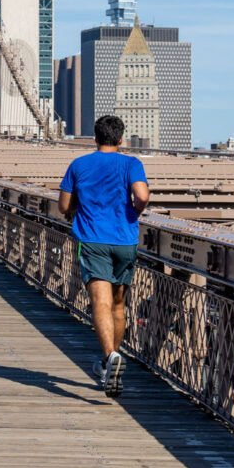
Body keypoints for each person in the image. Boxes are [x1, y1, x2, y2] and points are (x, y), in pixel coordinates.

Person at [58, 114, 151, 398]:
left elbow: (63, 206)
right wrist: (134, 212)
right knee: (118, 303)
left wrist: (76, 209)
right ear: (121, 139)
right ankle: (112, 357)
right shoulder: (131, 164)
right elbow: (143, 195)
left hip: (92, 239)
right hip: (125, 241)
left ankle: (110, 356)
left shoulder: (79, 165)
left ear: (95, 138)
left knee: (100, 299)